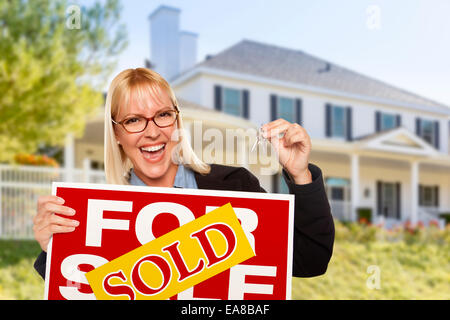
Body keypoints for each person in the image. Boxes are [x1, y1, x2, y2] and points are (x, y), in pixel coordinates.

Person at [33, 68, 335, 280]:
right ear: (116, 134)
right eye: (134, 120)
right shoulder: (94, 218)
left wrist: (300, 174)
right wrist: (55, 250)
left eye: (163, 115)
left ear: (177, 121)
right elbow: (80, 288)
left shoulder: (235, 187)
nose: (152, 132)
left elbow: (310, 259)